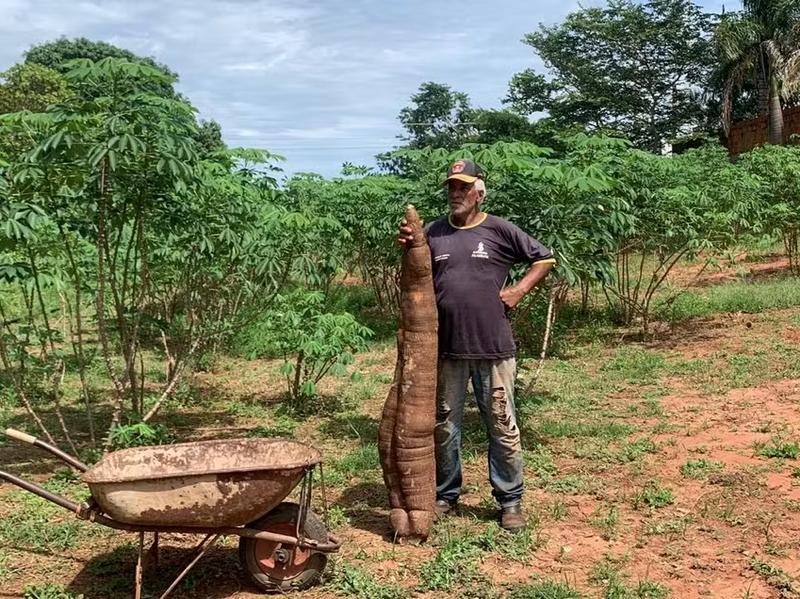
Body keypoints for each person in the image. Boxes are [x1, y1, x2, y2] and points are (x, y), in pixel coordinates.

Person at [398, 159, 555, 532]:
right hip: (447, 349)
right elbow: (415, 273)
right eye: (451, 187)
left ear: (479, 192)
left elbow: (545, 257)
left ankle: (510, 501)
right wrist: (409, 245)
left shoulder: (499, 229)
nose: (456, 194)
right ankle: (446, 495)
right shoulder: (434, 232)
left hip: (493, 349)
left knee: (501, 425)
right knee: (445, 426)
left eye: (463, 187)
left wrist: (518, 290)